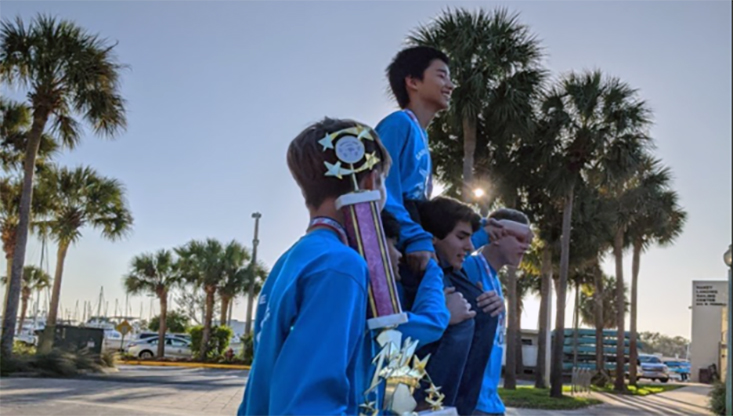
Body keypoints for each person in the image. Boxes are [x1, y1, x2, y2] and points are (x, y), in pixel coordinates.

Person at [237, 118, 391, 415]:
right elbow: (310, 403)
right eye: (384, 182)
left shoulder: (291, 259)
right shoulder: (341, 265)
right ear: (370, 183)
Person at [376, 45, 502, 309]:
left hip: (414, 226)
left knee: (481, 307)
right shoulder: (398, 125)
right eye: (441, 75)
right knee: (462, 315)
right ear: (412, 82)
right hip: (398, 241)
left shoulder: (422, 134)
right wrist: (414, 238)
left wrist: (481, 226)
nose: (451, 85)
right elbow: (383, 193)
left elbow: (427, 208)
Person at [414, 196, 504, 415]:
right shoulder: (420, 275)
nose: (470, 246)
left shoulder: (455, 272)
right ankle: (430, 407)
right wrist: (442, 316)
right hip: (421, 398)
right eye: (462, 237)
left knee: (481, 308)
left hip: (463, 403)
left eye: (472, 238)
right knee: (463, 318)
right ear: (432, 238)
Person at [463, 208, 533, 416]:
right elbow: (443, 259)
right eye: (520, 238)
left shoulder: (494, 280)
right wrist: (484, 230)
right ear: (496, 236)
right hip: (472, 402)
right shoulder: (470, 266)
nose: (526, 246)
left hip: (491, 403)